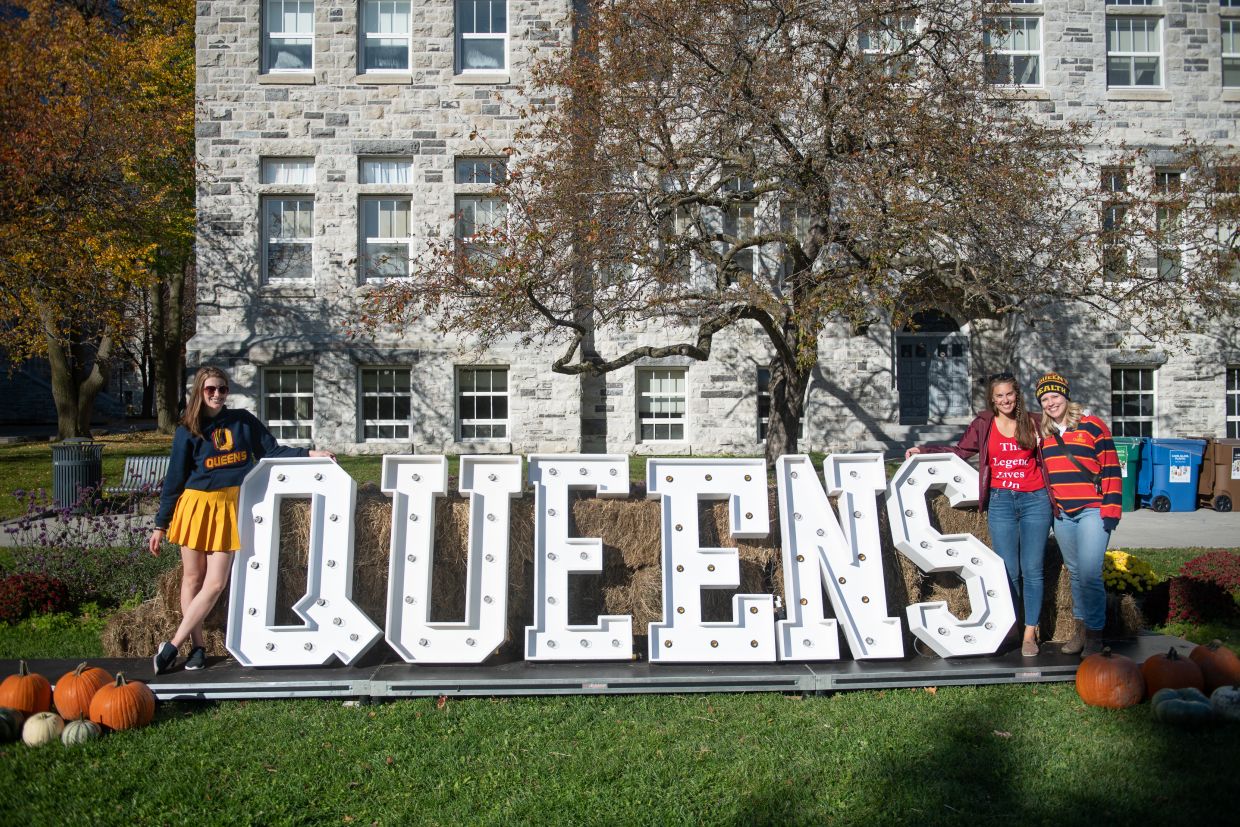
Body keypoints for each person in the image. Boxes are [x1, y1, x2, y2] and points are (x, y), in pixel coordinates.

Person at [148, 367, 334, 674]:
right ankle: (197, 647)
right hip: (195, 506)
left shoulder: (242, 421)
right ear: (199, 391)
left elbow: (271, 451)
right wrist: (160, 524)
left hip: (227, 507)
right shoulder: (187, 429)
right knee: (192, 579)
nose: (218, 394)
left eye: (222, 389)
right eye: (211, 389)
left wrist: (310, 453)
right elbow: (174, 480)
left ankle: (171, 645)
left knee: (216, 582)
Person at [906, 372, 1050, 657]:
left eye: (1009, 394)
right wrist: (925, 450)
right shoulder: (985, 424)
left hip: (1035, 500)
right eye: (999, 396)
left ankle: (1030, 633)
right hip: (1001, 501)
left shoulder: (1034, 422)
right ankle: (1012, 627)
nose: (1005, 400)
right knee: (1008, 570)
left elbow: (1057, 448)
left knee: (1032, 569)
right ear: (992, 399)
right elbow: (961, 451)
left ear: (1017, 394)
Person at [1035, 372, 1122, 658]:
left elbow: (1110, 467)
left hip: (1092, 511)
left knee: (1089, 573)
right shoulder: (1044, 435)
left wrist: (1112, 507)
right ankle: (1080, 629)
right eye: (1045, 399)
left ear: (1066, 396)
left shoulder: (1092, 425)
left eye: (1055, 396)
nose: (1050, 403)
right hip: (1063, 514)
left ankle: (1096, 634)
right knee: (1074, 573)